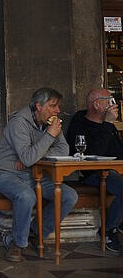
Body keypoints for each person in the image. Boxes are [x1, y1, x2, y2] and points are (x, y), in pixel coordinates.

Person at [0, 87, 78, 262]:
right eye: (53, 106)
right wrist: (46, 140)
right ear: (39, 106)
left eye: (58, 106)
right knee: (26, 196)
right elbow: (28, 157)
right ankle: (17, 244)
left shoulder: (50, 123)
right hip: (4, 174)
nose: (57, 111)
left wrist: (35, 155)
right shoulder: (19, 122)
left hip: (32, 174)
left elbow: (63, 150)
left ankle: (34, 234)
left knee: (69, 195)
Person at [66, 88, 123, 253]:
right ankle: (108, 230)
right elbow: (91, 154)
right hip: (95, 173)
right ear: (97, 104)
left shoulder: (108, 126)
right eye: (109, 101)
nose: (114, 105)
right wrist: (107, 124)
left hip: (116, 170)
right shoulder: (80, 124)